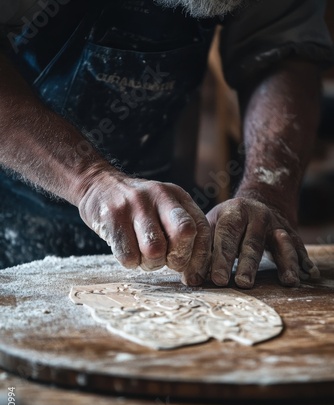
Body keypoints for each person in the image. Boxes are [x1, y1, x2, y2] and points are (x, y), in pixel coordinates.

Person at [0, 0, 333, 288]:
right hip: (13, 197)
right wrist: (88, 180)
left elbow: (282, 52)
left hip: (162, 202)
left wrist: (268, 191)